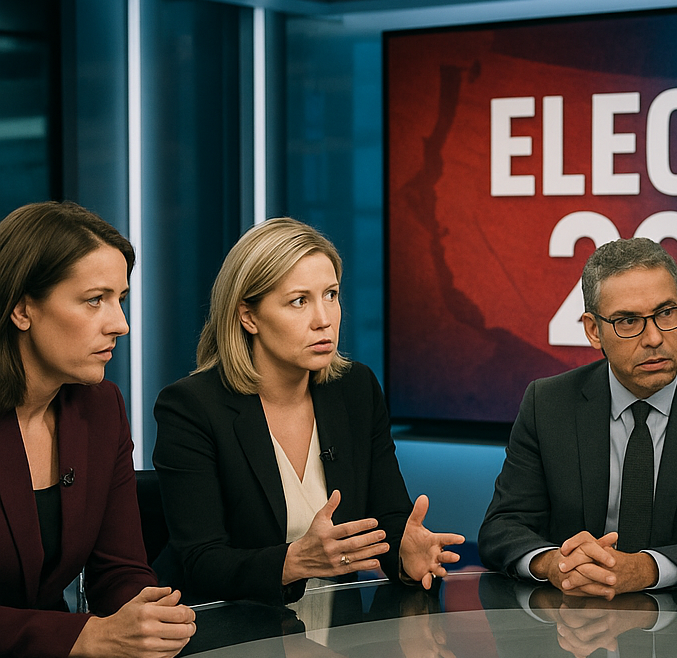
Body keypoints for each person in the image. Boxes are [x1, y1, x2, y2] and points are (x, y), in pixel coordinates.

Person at [0, 200, 194, 658]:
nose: (120, 324)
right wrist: (89, 635)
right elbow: (86, 626)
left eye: (122, 299)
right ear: (23, 307)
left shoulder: (99, 407)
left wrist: (145, 613)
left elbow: (118, 569)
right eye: (94, 301)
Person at [153, 217, 463, 605]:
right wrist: (292, 563)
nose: (324, 320)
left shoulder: (355, 389)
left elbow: (387, 517)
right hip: (238, 632)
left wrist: (405, 554)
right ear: (248, 316)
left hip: (344, 637)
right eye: (299, 301)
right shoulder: (191, 408)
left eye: (331, 295)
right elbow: (201, 562)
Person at [477, 236, 677, 596]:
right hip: (573, 619)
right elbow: (502, 527)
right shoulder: (547, 403)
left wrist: (644, 569)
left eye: (666, 313)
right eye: (628, 321)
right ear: (594, 330)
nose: (654, 338)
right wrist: (556, 564)